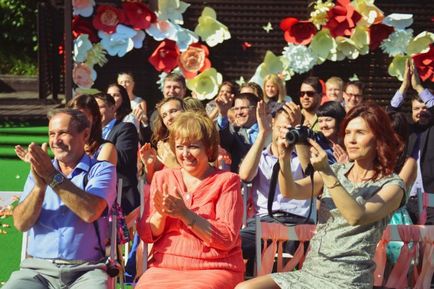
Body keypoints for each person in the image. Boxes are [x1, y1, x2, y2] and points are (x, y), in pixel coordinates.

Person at [236, 102, 405, 289]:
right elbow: (290, 191)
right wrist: (284, 159)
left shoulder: (392, 185)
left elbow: (356, 216)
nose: (351, 140)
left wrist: (326, 172)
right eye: (348, 133)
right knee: (244, 288)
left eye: (360, 133)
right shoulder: (338, 170)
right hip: (311, 273)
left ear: (379, 138)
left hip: (348, 280)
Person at [4, 109, 117, 289]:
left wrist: (51, 176)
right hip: (37, 271)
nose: (56, 141)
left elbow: (90, 212)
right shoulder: (38, 173)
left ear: (85, 135)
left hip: (86, 270)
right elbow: (20, 223)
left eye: (63, 133)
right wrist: (40, 187)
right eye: (51, 134)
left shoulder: (101, 170)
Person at [135, 111, 245, 289]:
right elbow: (147, 234)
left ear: (209, 148)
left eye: (193, 146)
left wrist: (184, 214)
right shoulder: (162, 177)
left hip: (214, 268)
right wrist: (161, 215)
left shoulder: (227, 181)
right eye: (179, 147)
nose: (185, 154)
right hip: (164, 267)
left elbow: (226, 238)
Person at [238, 101, 313, 276]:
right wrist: (262, 133)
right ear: (272, 124)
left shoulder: (302, 153)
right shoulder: (261, 156)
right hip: (264, 221)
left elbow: (310, 171)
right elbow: (245, 175)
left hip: (299, 222)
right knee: (233, 245)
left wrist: (298, 133)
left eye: (290, 128)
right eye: (281, 127)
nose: (284, 132)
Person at [389, 60, 434, 224]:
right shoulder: (407, 130)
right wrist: (404, 87)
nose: (421, 112)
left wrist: (418, 88)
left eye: (425, 108)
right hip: (407, 200)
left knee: (429, 246)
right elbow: (391, 115)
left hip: (431, 201)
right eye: (416, 109)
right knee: (406, 246)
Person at [95, 93, 139, 214]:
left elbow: (123, 158)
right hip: (97, 193)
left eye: (100, 107)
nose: (96, 112)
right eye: (93, 109)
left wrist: (96, 147)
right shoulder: (90, 133)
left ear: (113, 108)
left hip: (121, 195)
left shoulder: (125, 128)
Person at [216, 92, 260, 172]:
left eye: (243, 108)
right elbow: (223, 140)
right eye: (236, 109)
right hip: (240, 182)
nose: (239, 112)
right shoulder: (233, 131)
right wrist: (223, 114)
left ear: (255, 109)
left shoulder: (268, 131)